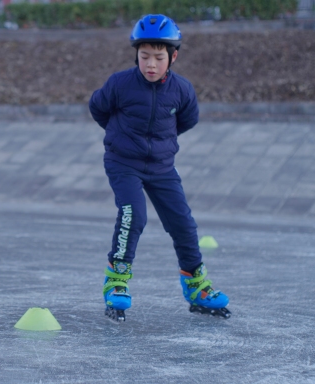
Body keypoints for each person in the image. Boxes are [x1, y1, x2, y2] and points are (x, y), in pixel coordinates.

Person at [89, 14, 230, 322]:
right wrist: (119, 138)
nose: (150, 64)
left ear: (173, 57)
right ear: (136, 55)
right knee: (133, 215)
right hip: (123, 163)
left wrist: (161, 143)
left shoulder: (182, 90)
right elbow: (98, 108)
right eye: (144, 57)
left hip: (162, 167)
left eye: (158, 57)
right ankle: (116, 281)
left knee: (183, 223)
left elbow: (187, 120)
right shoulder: (120, 84)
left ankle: (196, 286)